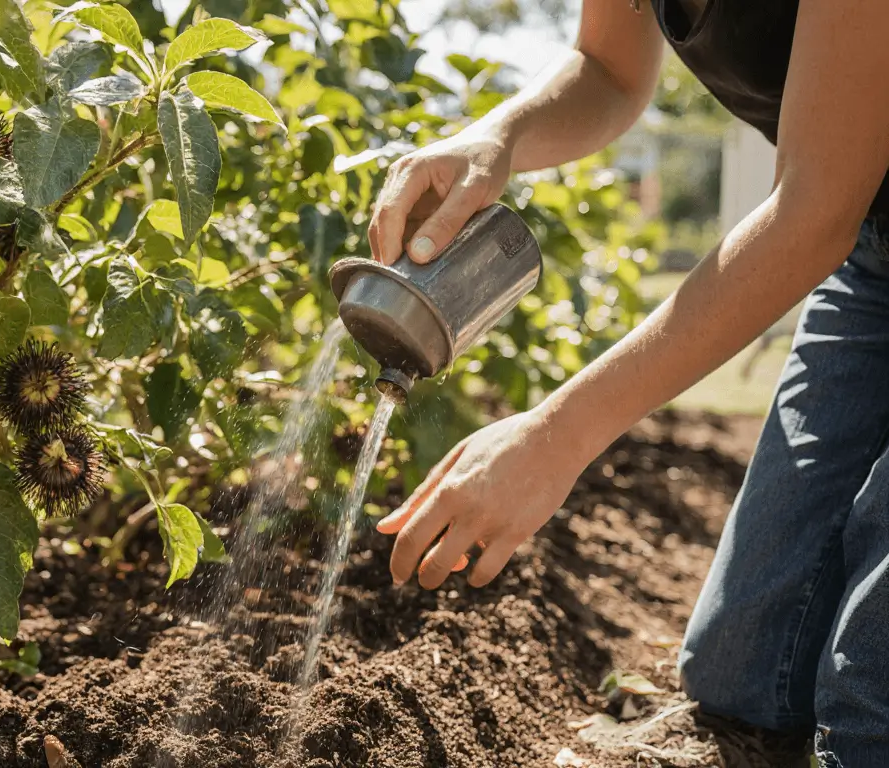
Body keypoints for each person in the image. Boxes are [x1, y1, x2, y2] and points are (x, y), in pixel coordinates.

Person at [368, 1, 889, 764]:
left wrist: (557, 434)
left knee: (869, 701)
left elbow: (814, 209)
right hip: (876, 257)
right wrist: (499, 134)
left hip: (842, 214)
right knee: (743, 672)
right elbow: (608, 70)